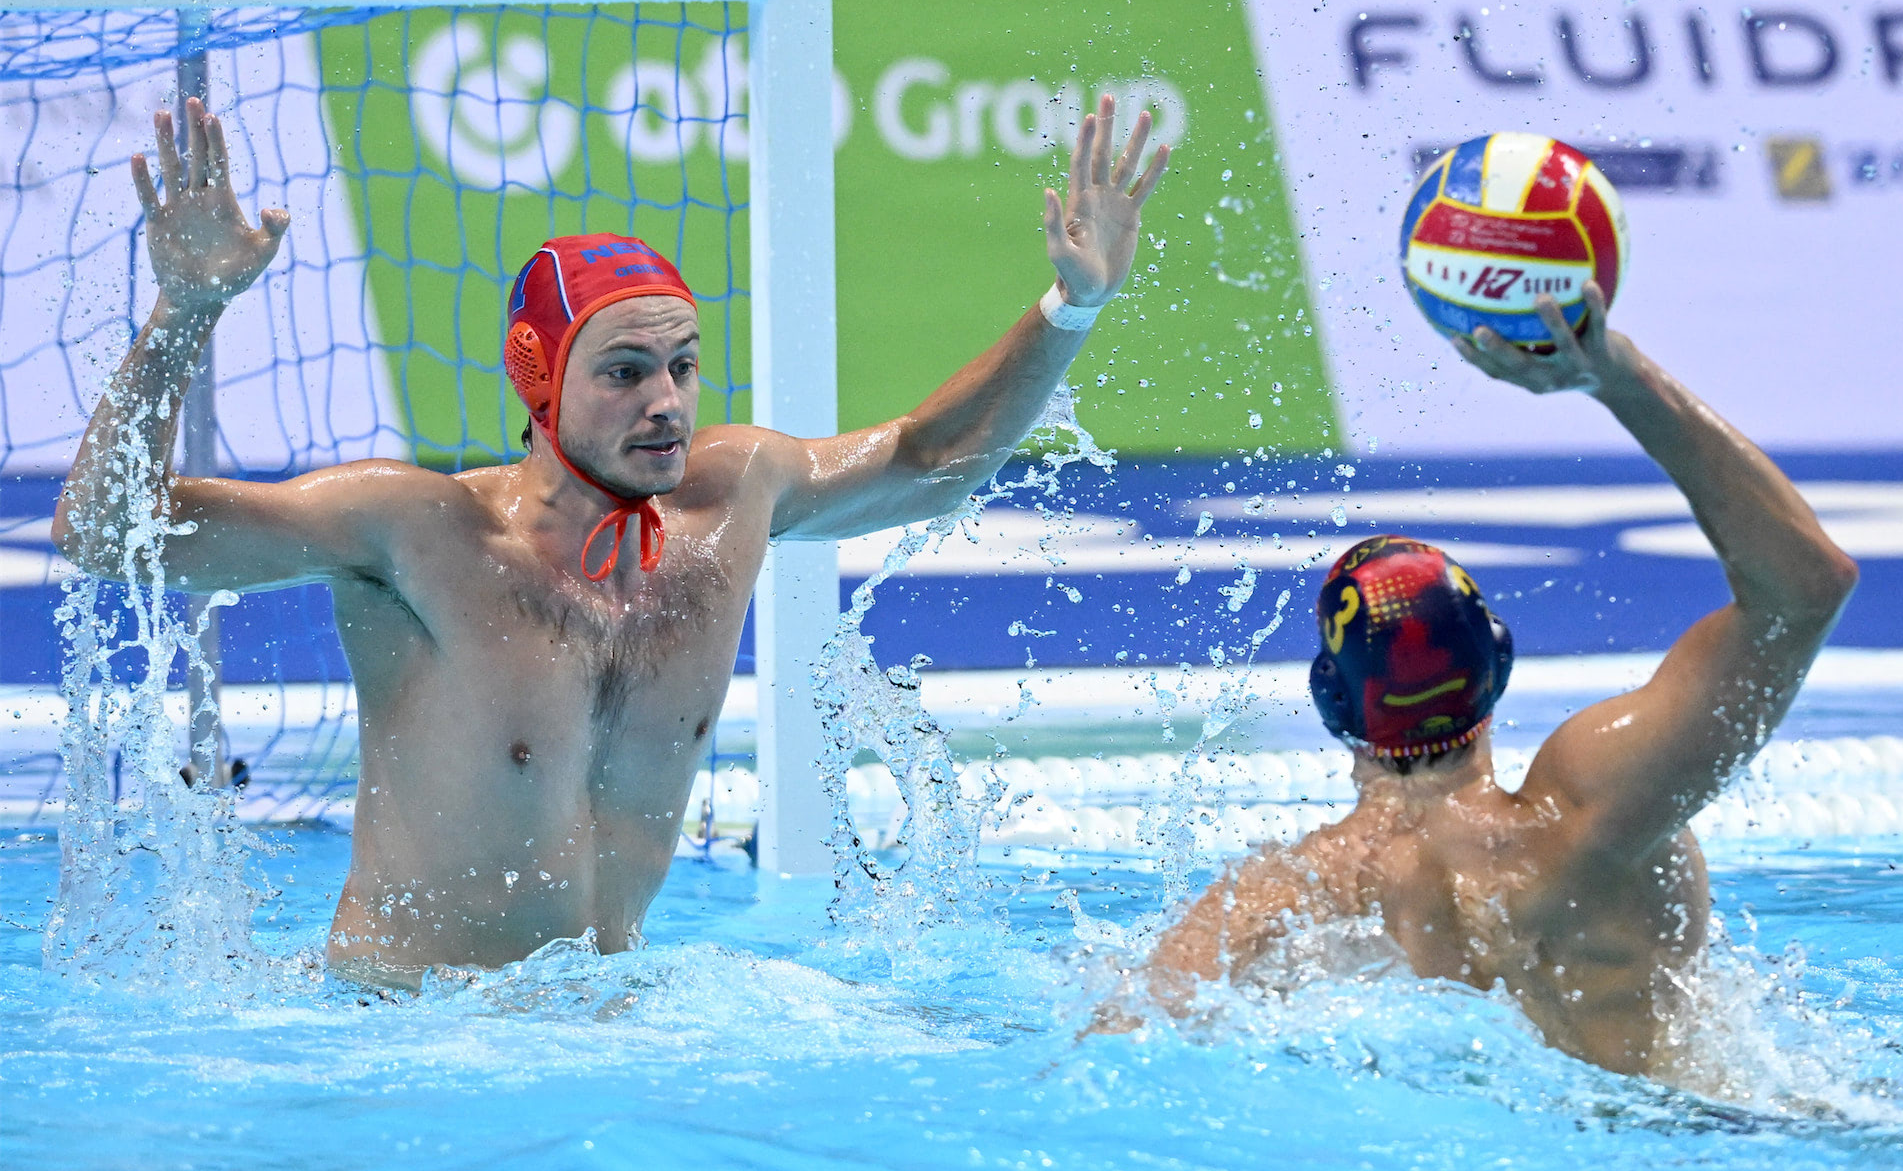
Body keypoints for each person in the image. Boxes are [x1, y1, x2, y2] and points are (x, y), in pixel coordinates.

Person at [54, 94, 1170, 987]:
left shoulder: (732, 500)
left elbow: (933, 459)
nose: (668, 404)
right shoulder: (419, 534)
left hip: (610, 1020)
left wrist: (1070, 308)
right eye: (626, 373)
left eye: (683, 366)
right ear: (541, 382)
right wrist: (186, 313)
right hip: (403, 1036)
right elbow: (103, 532)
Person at [1092, 284, 1858, 1076]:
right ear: (1496, 664)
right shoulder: (1594, 808)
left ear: (1332, 704)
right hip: (1696, 1138)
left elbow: (1112, 1043)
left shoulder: (1286, 897)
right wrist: (1621, 379)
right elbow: (1806, 587)